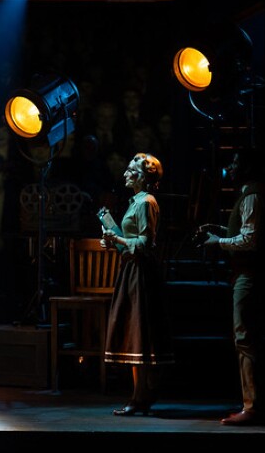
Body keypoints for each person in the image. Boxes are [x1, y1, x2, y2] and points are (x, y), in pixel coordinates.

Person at [197, 147, 265, 426]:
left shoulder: (252, 195)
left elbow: (250, 240)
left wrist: (219, 242)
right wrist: (220, 232)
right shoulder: (249, 194)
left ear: (249, 167)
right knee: (247, 339)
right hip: (247, 274)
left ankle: (253, 406)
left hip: (250, 275)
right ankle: (252, 403)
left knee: (246, 339)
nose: (232, 166)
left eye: (237, 161)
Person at [101, 152, 174, 416]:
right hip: (130, 269)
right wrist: (113, 239)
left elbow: (146, 244)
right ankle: (138, 395)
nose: (124, 174)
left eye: (130, 170)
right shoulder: (136, 202)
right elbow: (131, 242)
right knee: (134, 334)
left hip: (141, 273)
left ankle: (140, 396)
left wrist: (119, 241)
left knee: (139, 334)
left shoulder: (146, 203)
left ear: (141, 176)